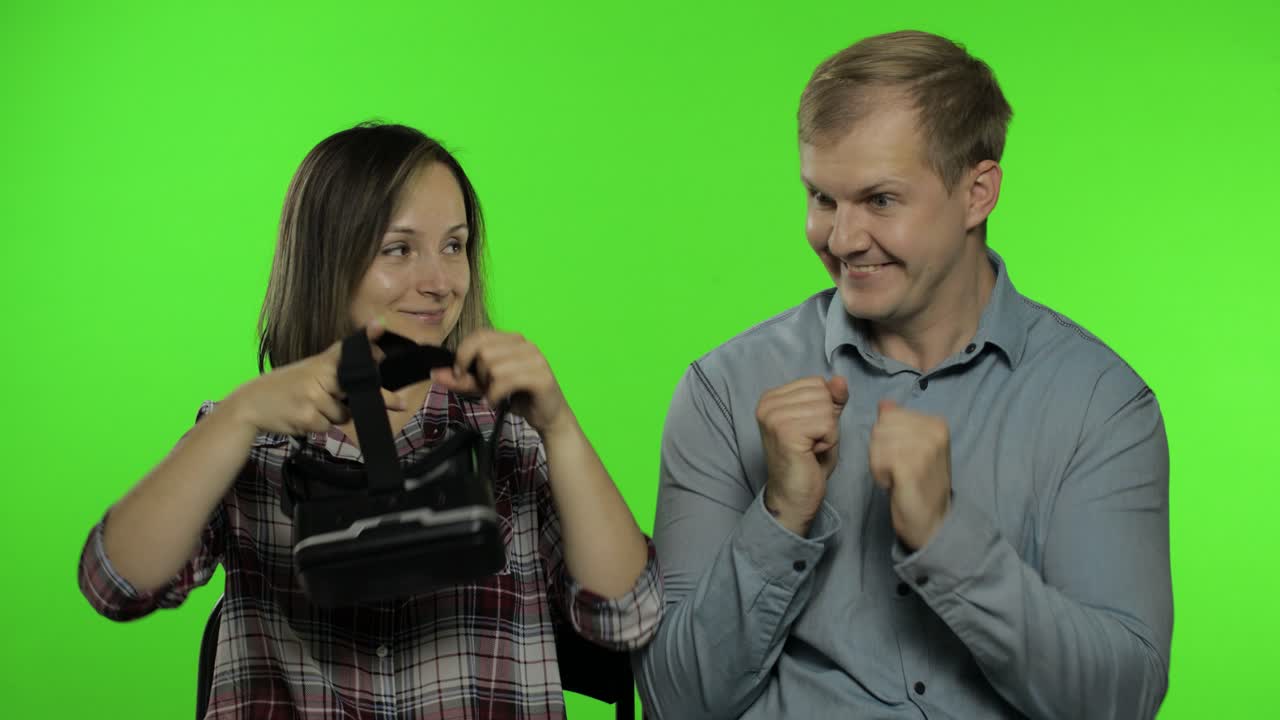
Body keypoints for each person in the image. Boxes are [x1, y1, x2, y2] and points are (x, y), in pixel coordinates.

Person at [634, 30, 1171, 719]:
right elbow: (676, 702)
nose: (841, 238)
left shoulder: (1101, 406)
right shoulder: (722, 392)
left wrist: (949, 540)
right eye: (822, 198)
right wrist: (779, 518)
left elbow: (1120, 703)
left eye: (879, 200)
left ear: (977, 193)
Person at [77, 122, 662, 719]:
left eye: (454, 245)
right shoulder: (249, 438)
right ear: (328, 257)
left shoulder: (506, 432)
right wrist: (239, 416)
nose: (439, 283)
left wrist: (560, 428)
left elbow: (628, 617)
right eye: (399, 248)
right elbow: (114, 585)